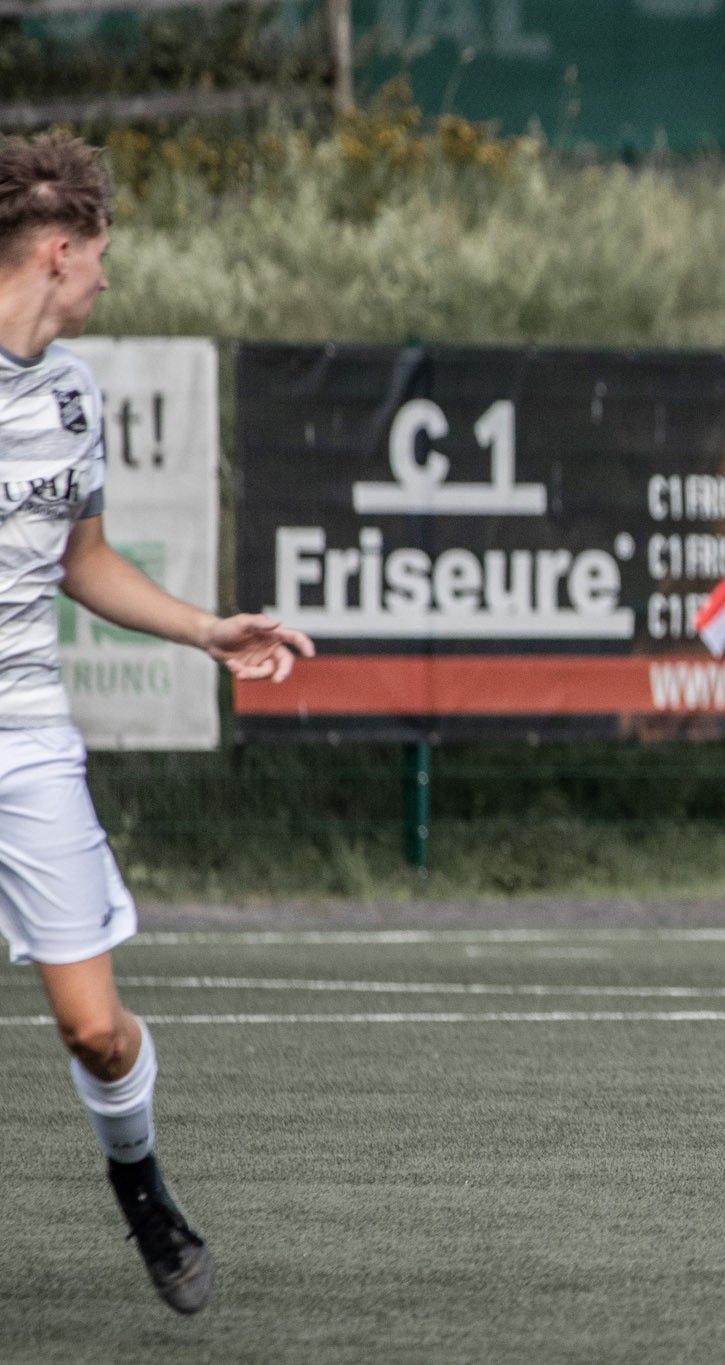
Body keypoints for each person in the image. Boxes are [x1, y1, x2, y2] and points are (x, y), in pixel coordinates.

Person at [0, 132, 313, 1311]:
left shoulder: (73, 394)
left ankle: (140, 1182)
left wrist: (207, 630)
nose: (108, 277)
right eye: (101, 255)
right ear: (59, 252)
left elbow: (81, 560)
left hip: (25, 732)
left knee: (98, 1034)